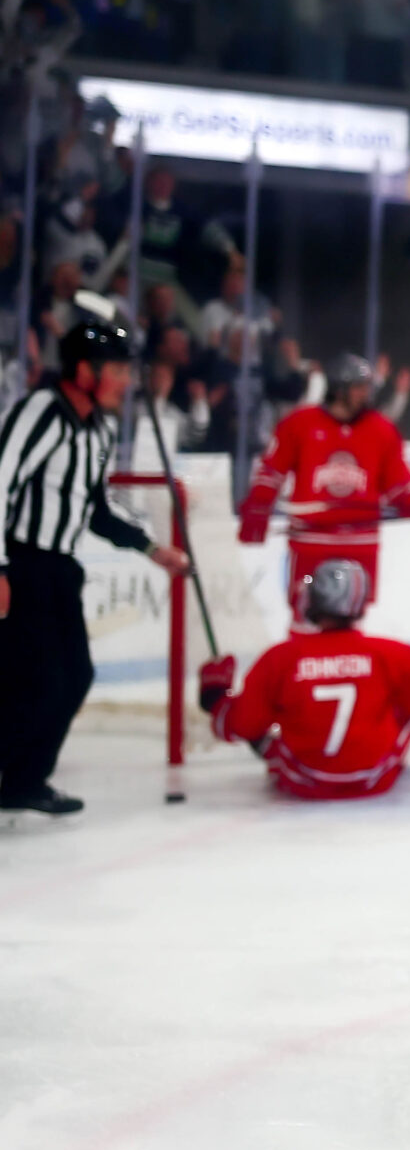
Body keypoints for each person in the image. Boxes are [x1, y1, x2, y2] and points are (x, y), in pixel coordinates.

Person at [0, 293, 188, 817]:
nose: (127, 383)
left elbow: (94, 510)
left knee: (73, 676)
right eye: (117, 371)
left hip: (60, 569)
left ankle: (23, 780)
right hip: (21, 563)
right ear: (85, 371)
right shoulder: (41, 412)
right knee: (32, 680)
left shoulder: (97, 432)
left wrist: (152, 549)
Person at [197, 560, 410, 800]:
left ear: (312, 603)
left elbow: (240, 726)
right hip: (373, 780)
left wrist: (215, 697)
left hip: (301, 780)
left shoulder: (280, 659)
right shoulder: (391, 654)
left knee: (265, 717)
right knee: (408, 703)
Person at [239, 352, 410, 628]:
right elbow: (270, 473)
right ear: (339, 389)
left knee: (352, 619)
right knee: (305, 612)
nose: (366, 394)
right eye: (359, 387)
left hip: (358, 551)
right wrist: (258, 508)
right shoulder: (300, 424)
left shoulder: (382, 430)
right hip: (311, 549)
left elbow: (400, 489)